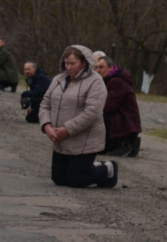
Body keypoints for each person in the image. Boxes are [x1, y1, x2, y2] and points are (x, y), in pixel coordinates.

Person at [38, 45, 118, 188]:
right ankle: (88, 167)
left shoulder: (95, 81)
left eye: (72, 64)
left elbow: (92, 112)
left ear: (84, 62)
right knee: (59, 179)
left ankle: (107, 169)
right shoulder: (58, 79)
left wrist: (66, 130)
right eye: (66, 63)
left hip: (85, 140)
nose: (68, 67)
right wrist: (47, 126)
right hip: (60, 140)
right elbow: (45, 104)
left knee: (77, 180)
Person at [95, 53, 142, 157]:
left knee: (100, 116)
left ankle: (124, 145)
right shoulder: (109, 80)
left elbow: (109, 107)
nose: (98, 70)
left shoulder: (116, 82)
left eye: (101, 67)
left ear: (111, 68)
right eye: (96, 67)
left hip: (125, 122)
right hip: (124, 121)